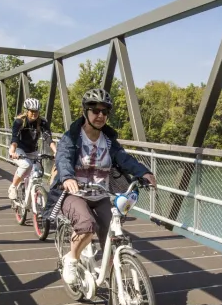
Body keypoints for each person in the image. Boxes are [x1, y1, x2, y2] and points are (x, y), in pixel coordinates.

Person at [53, 88, 157, 284]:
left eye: (105, 111)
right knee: (87, 226)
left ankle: (113, 276)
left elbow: (124, 159)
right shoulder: (72, 137)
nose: (100, 115)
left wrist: (143, 172)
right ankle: (72, 259)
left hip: (101, 194)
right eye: (95, 110)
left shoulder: (109, 142)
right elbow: (63, 157)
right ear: (85, 112)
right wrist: (67, 177)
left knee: (113, 232)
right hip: (75, 194)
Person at [7, 98, 56, 200]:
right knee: (26, 165)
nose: (34, 113)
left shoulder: (42, 122)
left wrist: (56, 151)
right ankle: (13, 187)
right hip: (19, 149)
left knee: (37, 174)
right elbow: (15, 139)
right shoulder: (19, 122)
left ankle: (35, 196)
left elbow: (48, 138)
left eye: (36, 111)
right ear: (27, 111)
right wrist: (12, 151)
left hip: (33, 151)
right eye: (32, 111)